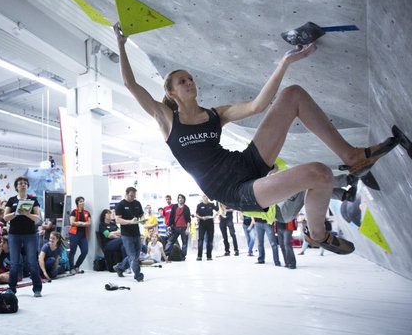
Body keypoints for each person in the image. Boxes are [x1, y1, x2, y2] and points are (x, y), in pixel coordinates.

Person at [114, 23, 396, 255]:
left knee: (292, 94)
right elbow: (131, 84)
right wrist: (121, 43)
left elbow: (257, 106)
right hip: (234, 190)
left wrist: (285, 62)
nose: (190, 83)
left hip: (246, 162)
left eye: (190, 78)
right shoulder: (167, 120)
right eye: (182, 81)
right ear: (173, 94)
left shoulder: (215, 114)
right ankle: (318, 234)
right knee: (320, 173)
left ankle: (352, 157)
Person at [3, 176, 44, 297]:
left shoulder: (33, 200)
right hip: (14, 234)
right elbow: (5, 217)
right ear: (16, 187)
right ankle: (11, 288)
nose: (23, 185)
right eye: (20, 183)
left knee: (32, 262)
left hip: (30, 234)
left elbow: (37, 218)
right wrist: (16, 213)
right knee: (14, 262)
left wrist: (27, 214)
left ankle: (37, 288)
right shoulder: (11, 200)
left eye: (25, 183)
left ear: (27, 186)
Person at [113, 186, 145, 282]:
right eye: (131, 196)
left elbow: (141, 214)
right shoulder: (121, 205)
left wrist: (143, 219)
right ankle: (138, 275)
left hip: (136, 233)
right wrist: (130, 221)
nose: (132, 198)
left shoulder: (137, 203)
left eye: (134, 196)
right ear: (126, 194)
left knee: (135, 255)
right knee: (132, 256)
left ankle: (120, 267)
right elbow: (118, 219)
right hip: (126, 234)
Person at [67, 196, 91, 272]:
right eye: (80, 201)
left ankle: (77, 266)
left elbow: (89, 223)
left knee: (85, 251)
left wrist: (80, 223)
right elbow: (72, 222)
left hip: (83, 234)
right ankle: (71, 268)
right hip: (74, 234)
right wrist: (83, 223)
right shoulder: (74, 212)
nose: (82, 203)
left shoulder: (87, 213)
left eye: (83, 201)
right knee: (73, 251)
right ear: (77, 203)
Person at [195, 195, 217, 261]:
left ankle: (209, 256)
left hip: (210, 223)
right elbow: (196, 214)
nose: (206, 198)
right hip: (202, 223)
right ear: (202, 197)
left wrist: (214, 216)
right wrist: (201, 218)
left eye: (207, 196)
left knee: (210, 240)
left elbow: (218, 210)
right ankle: (199, 256)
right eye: (204, 196)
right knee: (200, 240)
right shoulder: (199, 205)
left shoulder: (211, 204)